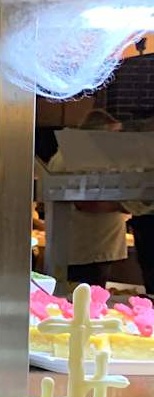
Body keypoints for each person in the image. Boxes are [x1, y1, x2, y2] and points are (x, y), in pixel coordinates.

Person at [50, 109, 129, 287]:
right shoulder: (81, 157)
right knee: (86, 295)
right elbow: (85, 202)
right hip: (89, 248)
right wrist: (127, 205)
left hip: (89, 246)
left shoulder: (73, 153)